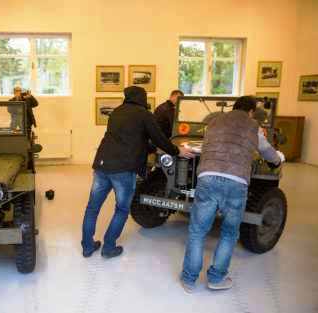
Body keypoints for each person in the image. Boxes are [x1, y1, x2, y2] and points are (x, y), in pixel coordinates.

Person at [180, 96, 285, 293]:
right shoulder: (253, 125)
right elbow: (266, 152)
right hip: (236, 181)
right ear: (252, 111)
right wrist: (277, 161)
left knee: (197, 231)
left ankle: (189, 279)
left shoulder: (214, 121)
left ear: (233, 107)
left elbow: (206, 146)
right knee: (229, 233)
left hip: (207, 177)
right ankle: (216, 278)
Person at [81, 86, 194, 259]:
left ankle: (87, 247)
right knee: (121, 209)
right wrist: (177, 151)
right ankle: (109, 247)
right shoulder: (143, 114)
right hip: (123, 169)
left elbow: (128, 138)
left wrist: (149, 147)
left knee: (92, 208)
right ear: (142, 98)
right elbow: (158, 138)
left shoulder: (117, 112)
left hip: (102, 165)